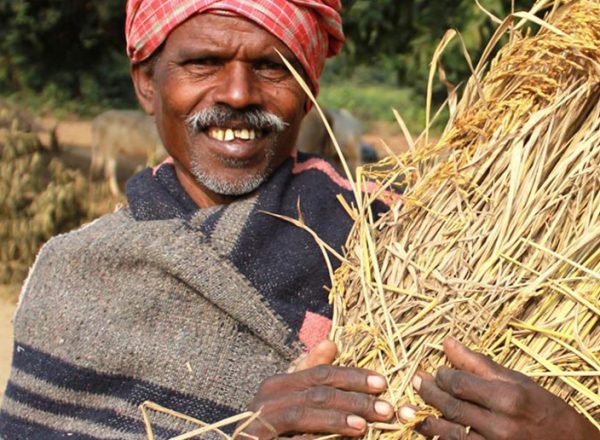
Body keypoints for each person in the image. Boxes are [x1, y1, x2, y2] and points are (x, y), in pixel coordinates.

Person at [0, 1, 597, 439]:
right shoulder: (76, 277)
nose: (238, 93)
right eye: (204, 62)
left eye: (272, 66)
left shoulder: (414, 233)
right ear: (147, 85)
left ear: (309, 88)